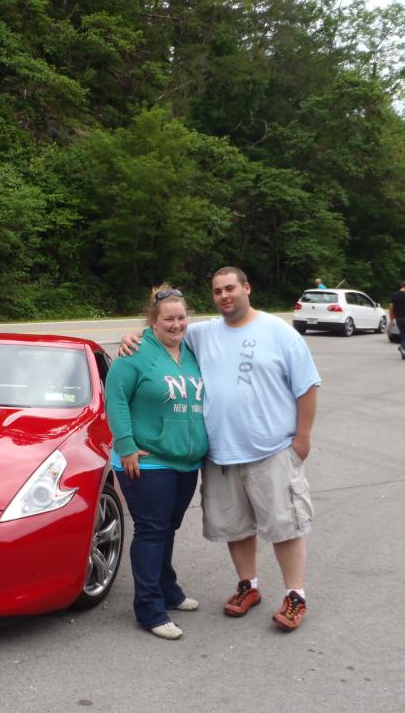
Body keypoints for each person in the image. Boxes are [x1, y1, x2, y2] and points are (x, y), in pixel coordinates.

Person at [121, 267, 321, 632]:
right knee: (236, 526)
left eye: (230, 288)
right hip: (221, 455)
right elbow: (163, 328)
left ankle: (296, 594)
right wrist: (130, 337)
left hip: (270, 449)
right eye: (217, 291)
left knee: (285, 526)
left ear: (247, 288)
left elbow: (307, 385)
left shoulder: (278, 332)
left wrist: (302, 438)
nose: (224, 296)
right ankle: (249, 585)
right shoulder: (203, 332)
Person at [105, 284, 208, 641]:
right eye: (169, 319)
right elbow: (115, 397)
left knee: (169, 527)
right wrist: (127, 446)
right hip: (146, 461)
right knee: (151, 530)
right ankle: (149, 609)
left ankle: (168, 589)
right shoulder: (135, 352)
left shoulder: (192, 352)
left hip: (185, 462)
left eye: (181, 318)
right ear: (153, 321)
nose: (176, 324)